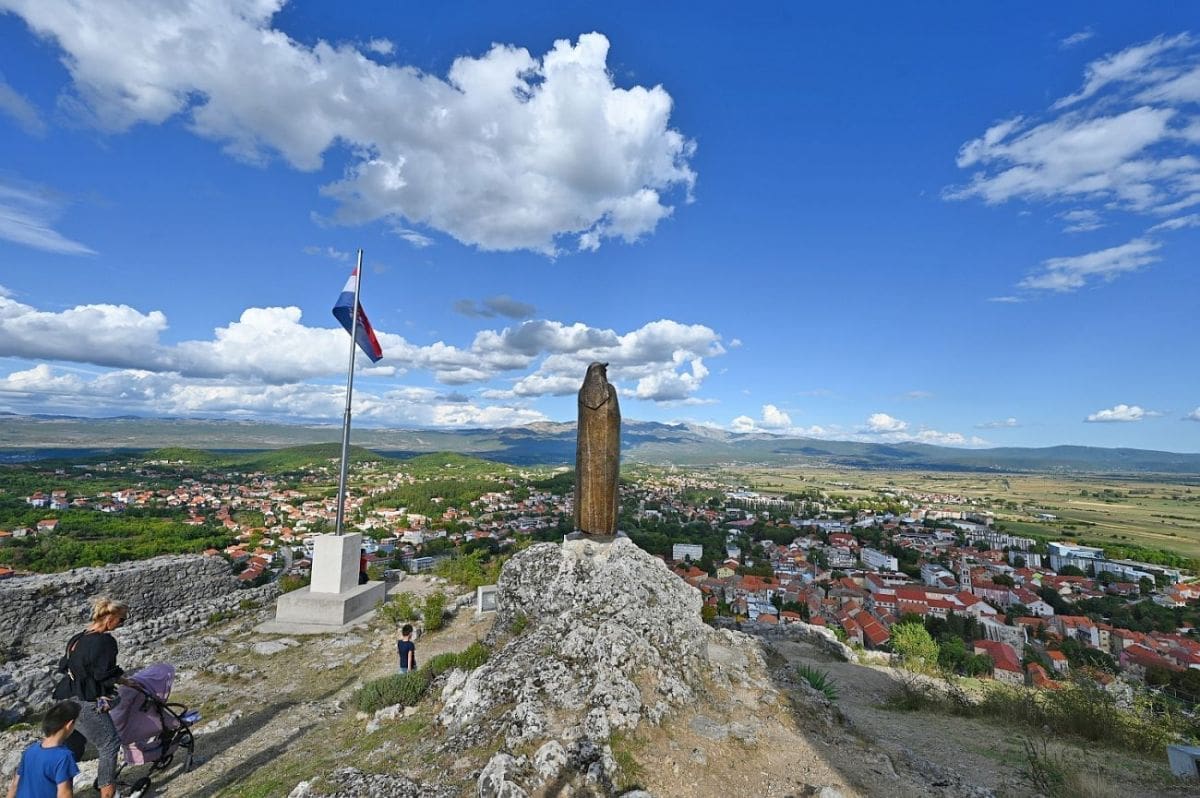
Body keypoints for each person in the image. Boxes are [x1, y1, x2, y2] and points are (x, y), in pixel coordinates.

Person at [59, 597, 128, 798]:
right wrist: (121, 681)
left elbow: (64, 666)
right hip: (85, 701)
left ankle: (62, 793)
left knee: (72, 748)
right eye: (121, 620)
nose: (122, 624)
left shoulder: (77, 638)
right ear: (110, 617)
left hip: (66, 698)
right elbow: (103, 674)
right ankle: (108, 792)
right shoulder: (105, 640)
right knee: (110, 743)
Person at [6, 700, 81, 798]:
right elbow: (64, 794)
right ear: (69, 724)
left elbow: (15, 785)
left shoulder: (30, 751)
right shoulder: (64, 757)